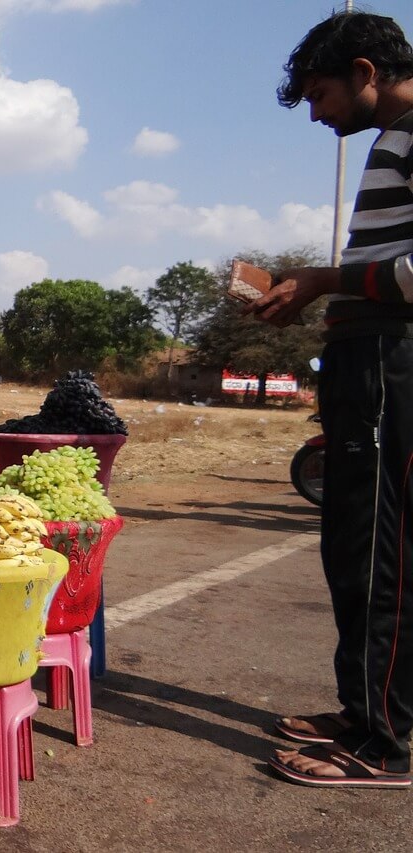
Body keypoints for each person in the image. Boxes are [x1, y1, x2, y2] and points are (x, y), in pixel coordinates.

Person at [249, 10, 413, 788]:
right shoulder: (394, 139)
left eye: (320, 95)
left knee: (382, 551)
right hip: (366, 361)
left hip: (394, 365)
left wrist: (323, 280)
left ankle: (387, 744)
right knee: (351, 543)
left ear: (365, 71)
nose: (316, 114)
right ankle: (363, 708)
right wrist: (318, 292)